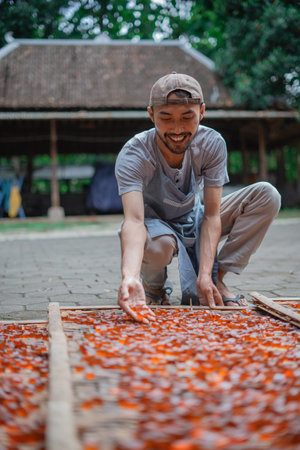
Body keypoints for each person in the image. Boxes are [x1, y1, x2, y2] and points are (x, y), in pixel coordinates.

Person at [115, 73, 281, 323]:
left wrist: (205, 274)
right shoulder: (134, 154)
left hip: (196, 216)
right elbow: (134, 221)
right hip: (155, 226)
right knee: (159, 246)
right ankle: (153, 288)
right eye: (166, 118)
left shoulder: (212, 143)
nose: (177, 128)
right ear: (151, 115)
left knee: (267, 195)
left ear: (201, 112)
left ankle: (215, 281)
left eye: (187, 117)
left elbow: (213, 214)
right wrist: (129, 276)